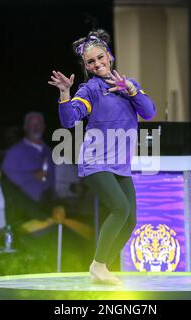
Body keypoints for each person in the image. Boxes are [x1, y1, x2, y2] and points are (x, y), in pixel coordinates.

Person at [48, 29, 156, 285]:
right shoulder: (90, 90)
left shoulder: (127, 86)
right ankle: (98, 265)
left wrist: (130, 88)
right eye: (91, 62)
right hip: (96, 161)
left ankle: (102, 266)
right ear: (86, 67)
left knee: (130, 221)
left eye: (100, 58)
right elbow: (69, 119)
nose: (97, 64)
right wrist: (65, 93)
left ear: (109, 57)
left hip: (120, 164)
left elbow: (149, 112)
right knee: (120, 208)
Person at [1, 112, 55, 208]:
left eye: (39, 124)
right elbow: (5, 178)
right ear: (26, 127)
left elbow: (53, 177)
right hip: (25, 207)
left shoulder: (48, 151)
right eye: (32, 124)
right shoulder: (14, 152)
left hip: (49, 203)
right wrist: (32, 175)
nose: (36, 127)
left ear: (43, 127)